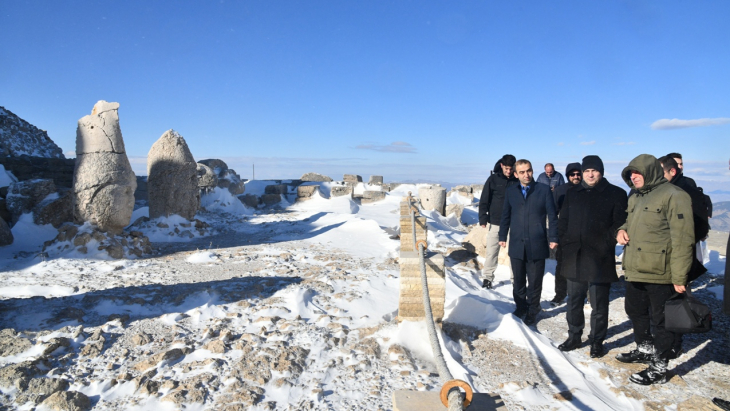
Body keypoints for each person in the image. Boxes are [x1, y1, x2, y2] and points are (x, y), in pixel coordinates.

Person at [615, 154, 694, 385]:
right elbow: (629, 222)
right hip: (636, 268)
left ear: (650, 171)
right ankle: (645, 348)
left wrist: (680, 276)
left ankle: (659, 366)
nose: (633, 177)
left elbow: (683, 239)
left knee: (662, 322)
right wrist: (620, 230)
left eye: (637, 172)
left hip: (662, 272)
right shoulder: (636, 197)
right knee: (635, 310)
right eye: (630, 173)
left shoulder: (674, 195)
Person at [555, 156, 628, 358]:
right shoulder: (573, 193)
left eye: (594, 170)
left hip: (600, 256)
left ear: (601, 172)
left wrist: (605, 243)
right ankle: (574, 336)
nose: (590, 174)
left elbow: (619, 223)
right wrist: (566, 242)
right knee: (574, 300)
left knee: (599, 303)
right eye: (586, 170)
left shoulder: (616, 193)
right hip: (575, 255)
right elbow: (564, 221)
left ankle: (597, 341)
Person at [499, 159, 558, 325]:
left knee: (535, 281)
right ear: (516, 174)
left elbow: (552, 216)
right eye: (522, 172)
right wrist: (502, 236)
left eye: (529, 171)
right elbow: (505, 215)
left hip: (537, 242)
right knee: (518, 280)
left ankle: (533, 310)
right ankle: (520, 307)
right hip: (517, 242)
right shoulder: (511, 191)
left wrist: (553, 237)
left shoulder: (544, 190)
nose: (527, 175)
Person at [478, 154, 519, 289]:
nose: (508, 171)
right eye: (506, 168)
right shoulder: (493, 179)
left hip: (514, 222)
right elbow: (485, 199)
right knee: (491, 252)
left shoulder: (518, 179)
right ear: (502, 166)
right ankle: (487, 278)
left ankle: (516, 279)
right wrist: (483, 217)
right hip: (496, 221)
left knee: (515, 252)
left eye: (511, 169)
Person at [550, 162, 582, 306]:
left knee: (583, 265)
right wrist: (554, 236)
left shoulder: (587, 190)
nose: (575, 177)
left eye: (578, 174)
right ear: (568, 175)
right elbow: (553, 215)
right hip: (564, 234)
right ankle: (560, 294)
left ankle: (582, 294)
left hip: (583, 235)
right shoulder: (560, 190)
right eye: (572, 174)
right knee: (561, 266)